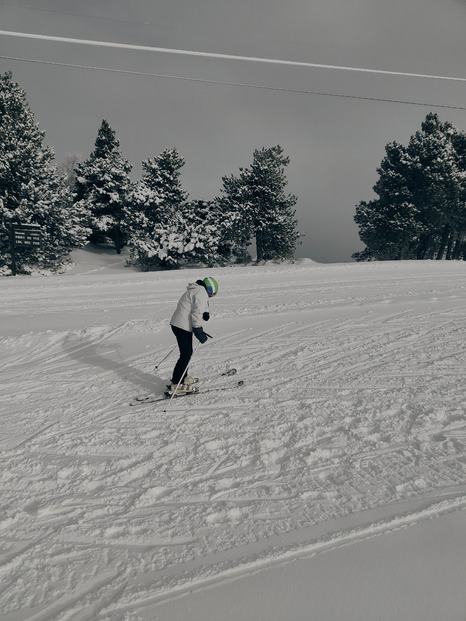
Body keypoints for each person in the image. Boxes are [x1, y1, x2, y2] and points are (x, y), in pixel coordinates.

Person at [169, 277, 218, 395]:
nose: (212, 296)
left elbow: (197, 305)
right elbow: (196, 312)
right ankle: (177, 383)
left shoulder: (197, 290)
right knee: (186, 354)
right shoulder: (201, 292)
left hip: (179, 324)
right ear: (210, 289)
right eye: (213, 293)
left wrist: (205, 312)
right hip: (182, 326)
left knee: (187, 353)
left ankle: (182, 378)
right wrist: (198, 330)